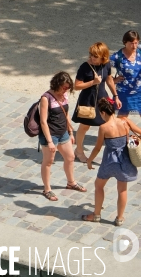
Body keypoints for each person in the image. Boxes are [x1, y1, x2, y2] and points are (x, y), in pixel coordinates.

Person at [82, 98, 138, 226]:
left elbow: (97, 148)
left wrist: (89, 161)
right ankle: (119, 218)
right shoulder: (125, 121)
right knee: (122, 190)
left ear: (102, 112)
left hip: (109, 162)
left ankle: (96, 215)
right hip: (125, 162)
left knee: (99, 186)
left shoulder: (103, 127)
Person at [38, 71, 87, 201]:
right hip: (50, 135)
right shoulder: (46, 98)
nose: (66, 90)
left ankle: (71, 182)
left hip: (63, 133)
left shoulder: (64, 95)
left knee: (70, 157)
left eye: (68, 88)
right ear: (57, 84)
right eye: (64, 87)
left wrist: (70, 132)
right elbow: (43, 121)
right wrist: (49, 141)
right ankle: (47, 189)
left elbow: (65, 115)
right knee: (48, 161)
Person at [72, 42, 118, 162]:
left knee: (108, 123)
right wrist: (92, 82)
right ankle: (79, 150)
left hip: (102, 98)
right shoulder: (84, 67)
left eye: (95, 56)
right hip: (88, 100)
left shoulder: (106, 64)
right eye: (91, 55)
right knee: (84, 126)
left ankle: (112, 150)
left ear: (103, 56)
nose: (92, 58)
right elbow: (76, 86)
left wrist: (115, 95)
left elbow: (108, 79)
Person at [110, 30, 141, 118]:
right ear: (125, 42)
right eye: (131, 43)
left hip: (140, 91)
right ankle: (121, 132)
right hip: (124, 92)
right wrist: (113, 80)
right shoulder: (117, 57)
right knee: (122, 118)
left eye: (136, 43)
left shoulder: (140, 53)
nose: (134, 46)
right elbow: (103, 70)